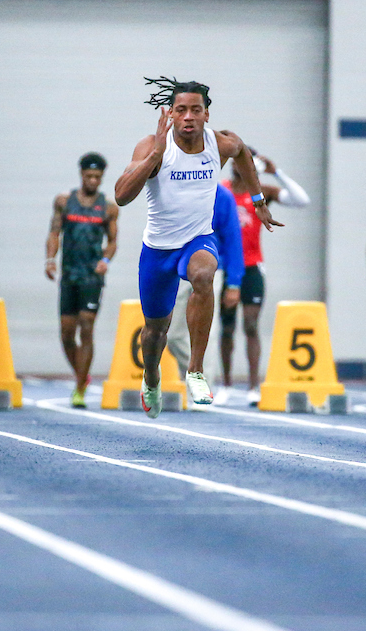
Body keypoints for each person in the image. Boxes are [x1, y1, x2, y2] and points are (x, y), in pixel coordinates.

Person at [115, 76, 281, 418]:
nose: (188, 117)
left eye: (196, 110)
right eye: (181, 110)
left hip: (197, 239)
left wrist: (258, 199)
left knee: (204, 275)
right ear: (170, 115)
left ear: (206, 114)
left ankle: (196, 371)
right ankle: (151, 375)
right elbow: (120, 196)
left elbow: (244, 155)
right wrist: (154, 159)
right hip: (158, 249)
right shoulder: (150, 145)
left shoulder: (219, 144)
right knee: (155, 331)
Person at [218, 151, 309, 406]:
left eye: (244, 160)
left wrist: (277, 173)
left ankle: (252, 386)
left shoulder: (260, 192)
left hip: (253, 266)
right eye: (235, 160)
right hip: (226, 267)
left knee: (250, 325)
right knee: (226, 327)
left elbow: (301, 200)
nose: (238, 165)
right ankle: (225, 384)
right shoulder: (222, 191)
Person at [45, 152, 119, 408]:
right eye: (89, 176)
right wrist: (50, 259)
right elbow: (54, 233)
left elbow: (112, 242)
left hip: (92, 276)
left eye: (97, 177)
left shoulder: (108, 208)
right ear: (81, 175)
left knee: (86, 326)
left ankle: (79, 388)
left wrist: (105, 261)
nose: (93, 180)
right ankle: (81, 373)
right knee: (67, 333)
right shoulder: (64, 202)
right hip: (69, 275)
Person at [167, 183, 244, 401]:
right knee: (173, 336)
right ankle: (193, 375)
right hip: (180, 268)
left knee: (205, 331)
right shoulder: (178, 189)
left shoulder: (223, 196)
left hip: (211, 270)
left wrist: (234, 283)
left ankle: (204, 384)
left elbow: (232, 240)